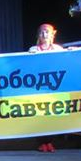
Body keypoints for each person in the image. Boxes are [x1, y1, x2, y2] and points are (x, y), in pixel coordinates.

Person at [28, 23, 64, 153]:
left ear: (53, 34)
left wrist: (72, 52)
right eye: (42, 32)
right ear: (38, 35)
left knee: (52, 114)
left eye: (47, 32)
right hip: (38, 87)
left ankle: (50, 141)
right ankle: (42, 142)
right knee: (40, 114)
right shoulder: (33, 49)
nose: (44, 34)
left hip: (54, 86)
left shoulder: (58, 49)